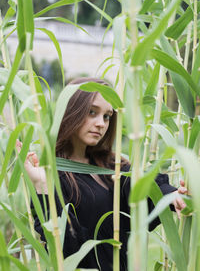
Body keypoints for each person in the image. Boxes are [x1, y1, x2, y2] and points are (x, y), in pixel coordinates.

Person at [16, 77, 187, 271]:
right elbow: (66, 251)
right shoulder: (53, 175)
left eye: (107, 116)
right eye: (92, 112)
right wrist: (43, 186)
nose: (101, 124)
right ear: (71, 111)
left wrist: (171, 196)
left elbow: (147, 185)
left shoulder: (112, 167)